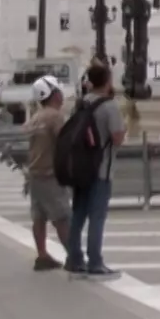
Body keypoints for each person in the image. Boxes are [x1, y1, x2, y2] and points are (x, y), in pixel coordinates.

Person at [65, 62, 125, 280]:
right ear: (108, 80)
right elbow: (117, 138)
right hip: (101, 168)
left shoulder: (81, 103)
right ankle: (95, 261)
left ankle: (73, 258)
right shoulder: (110, 106)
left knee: (78, 214)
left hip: (80, 167)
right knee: (97, 217)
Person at [25, 76, 73, 271]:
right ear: (52, 94)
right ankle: (74, 256)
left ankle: (42, 255)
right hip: (50, 174)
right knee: (62, 218)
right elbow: (65, 143)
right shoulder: (55, 116)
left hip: (35, 173)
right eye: (59, 91)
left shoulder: (35, 117)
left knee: (39, 216)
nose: (62, 95)